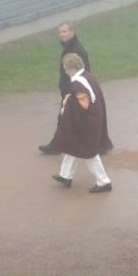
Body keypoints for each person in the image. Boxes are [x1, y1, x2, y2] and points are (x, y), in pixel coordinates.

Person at [51, 53, 113, 193]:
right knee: (73, 146)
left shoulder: (78, 83)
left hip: (86, 123)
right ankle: (65, 176)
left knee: (89, 152)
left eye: (66, 69)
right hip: (93, 120)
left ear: (71, 68)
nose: (65, 72)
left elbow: (83, 105)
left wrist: (68, 100)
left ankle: (104, 182)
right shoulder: (87, 76)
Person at [39, 22, 91, 155]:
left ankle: (58, 145)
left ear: (72, 32)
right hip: (69, 91)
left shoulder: (77, 50)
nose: (62, 34)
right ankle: (62, 144)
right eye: (60, 32)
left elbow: (85, 72)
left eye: (65, 31)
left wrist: (72, 91)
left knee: (67, 118)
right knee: (71, 119)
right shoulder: (68, 48)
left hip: (73, 92)